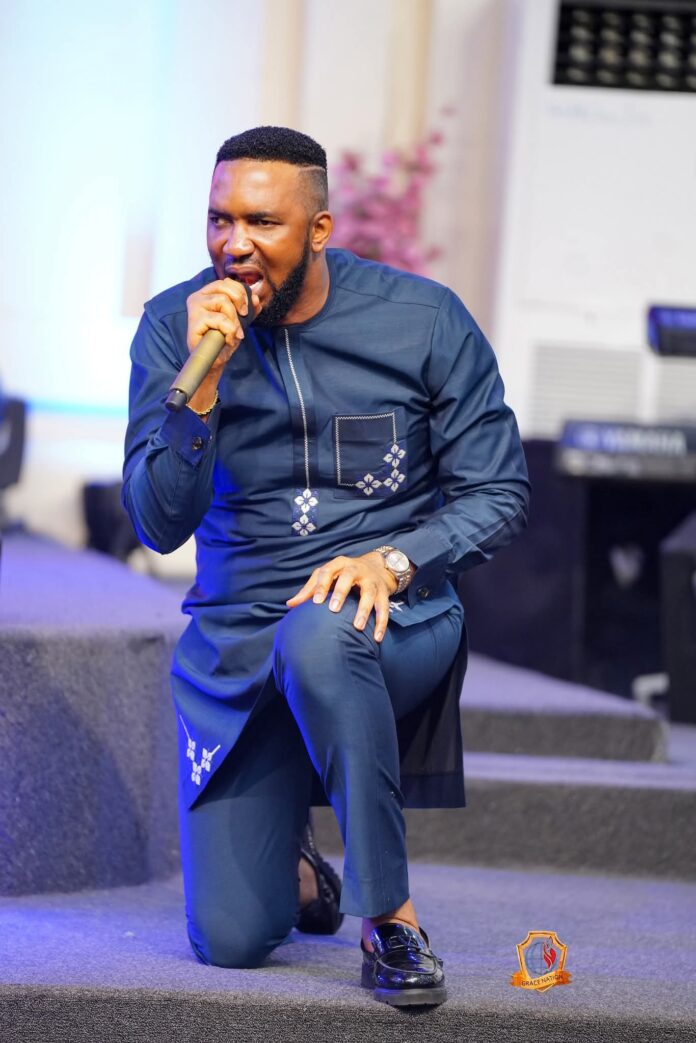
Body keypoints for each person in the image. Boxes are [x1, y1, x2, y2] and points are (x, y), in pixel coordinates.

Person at [123, 126, 529, 1007]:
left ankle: (390, 919)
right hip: (239, 640)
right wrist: (201, 389)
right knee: (231, 941)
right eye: (220, 219)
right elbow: (156, 524)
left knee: (320, 634)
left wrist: (396, 558)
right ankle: (299, 861)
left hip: (391, 617)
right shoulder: (174, 328)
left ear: (319, 229)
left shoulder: (423, 319)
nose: (234, 244)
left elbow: (498, 492)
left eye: (262, 222)